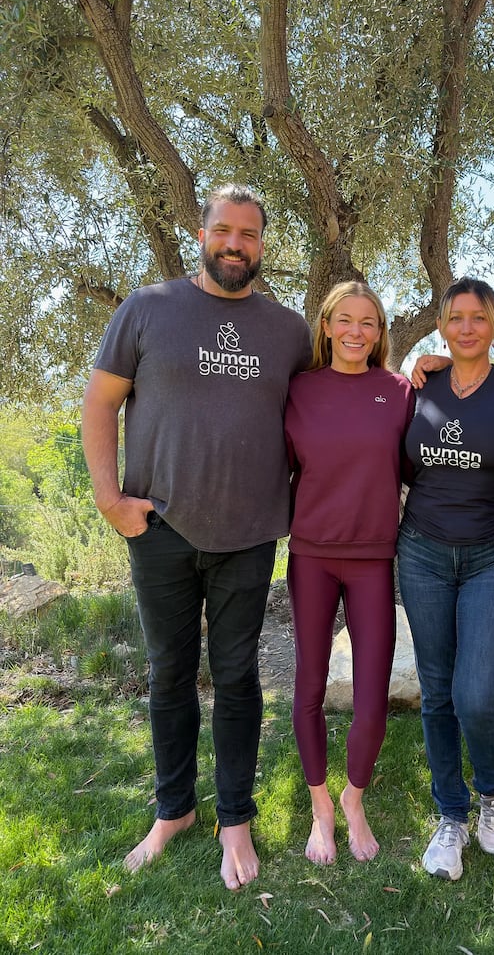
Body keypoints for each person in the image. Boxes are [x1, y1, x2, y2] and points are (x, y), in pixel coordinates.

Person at [81, 183, 311, 890]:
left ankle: (235, 817)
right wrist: (110, 500)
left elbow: (332, 402)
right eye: (222, 230)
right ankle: (174, 809)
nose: (234, 244)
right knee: (170, 675)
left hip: (250, 535)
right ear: (202, 233)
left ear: (263, 245)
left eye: (248, 233)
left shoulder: (291, 331)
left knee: (239, 679)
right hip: (161, 530)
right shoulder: (148, 309)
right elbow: (99, 401)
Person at [398, 277, 494, 882]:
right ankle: (450, 814)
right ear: (442, 326)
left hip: (493, 556)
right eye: (455, 318)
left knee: (475, 693)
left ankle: (493, 791)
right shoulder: (420, 385)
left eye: (478, 318)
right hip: (422, 552)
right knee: (436, 689)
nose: (466, 328)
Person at [283, 282, 414, 866]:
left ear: (380, 332)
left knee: (372, 693)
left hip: (373, 560)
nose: (357, 331)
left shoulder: (400, 391)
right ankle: (320, 808)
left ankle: (353, 796)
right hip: (311, 555)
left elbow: (427, 454)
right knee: (309, 682)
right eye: (345, 320)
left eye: (369, 322)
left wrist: (434, 365)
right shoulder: (298, 391)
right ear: (327, 326)